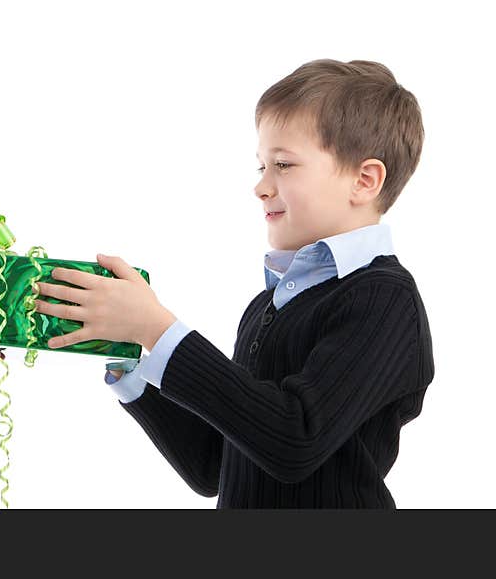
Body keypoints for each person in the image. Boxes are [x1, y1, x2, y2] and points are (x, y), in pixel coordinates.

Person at [34, 59, 435, 508]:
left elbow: (294, 440)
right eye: (262, 165)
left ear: (364, 180)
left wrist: (157, 329)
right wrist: (129, 355)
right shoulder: (268, 305)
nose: (261, 186)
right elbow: (214, 465)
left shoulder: (383, 299)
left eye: (283, 164)